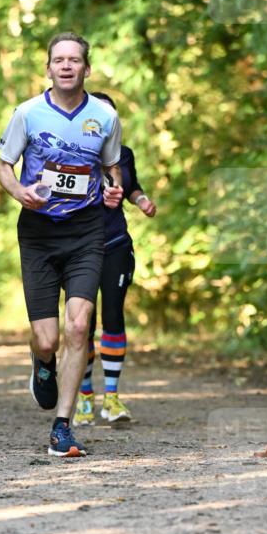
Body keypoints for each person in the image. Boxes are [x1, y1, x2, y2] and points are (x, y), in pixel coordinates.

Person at [0, 32, 123, 458]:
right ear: (48, 68)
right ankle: (43, 361)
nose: (67, 66)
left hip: (87, 230)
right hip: (38, 231)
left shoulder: (105, 116)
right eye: (59, 60)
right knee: (48, 338)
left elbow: (112, 168)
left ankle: (62, 427)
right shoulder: (28, 113)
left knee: (80, 326)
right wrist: (19, 192)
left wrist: (114, 190)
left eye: (74, 60)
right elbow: (3, 166)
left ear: (87, 68)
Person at [73, 93, 156, 427]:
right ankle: (84, 397)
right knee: (82, 323)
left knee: (112, 315)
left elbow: (132, 187)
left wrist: (142, 200)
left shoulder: (124, 154)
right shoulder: (73, 151)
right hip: (78, 247)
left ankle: (111, 397)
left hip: (116, 243)